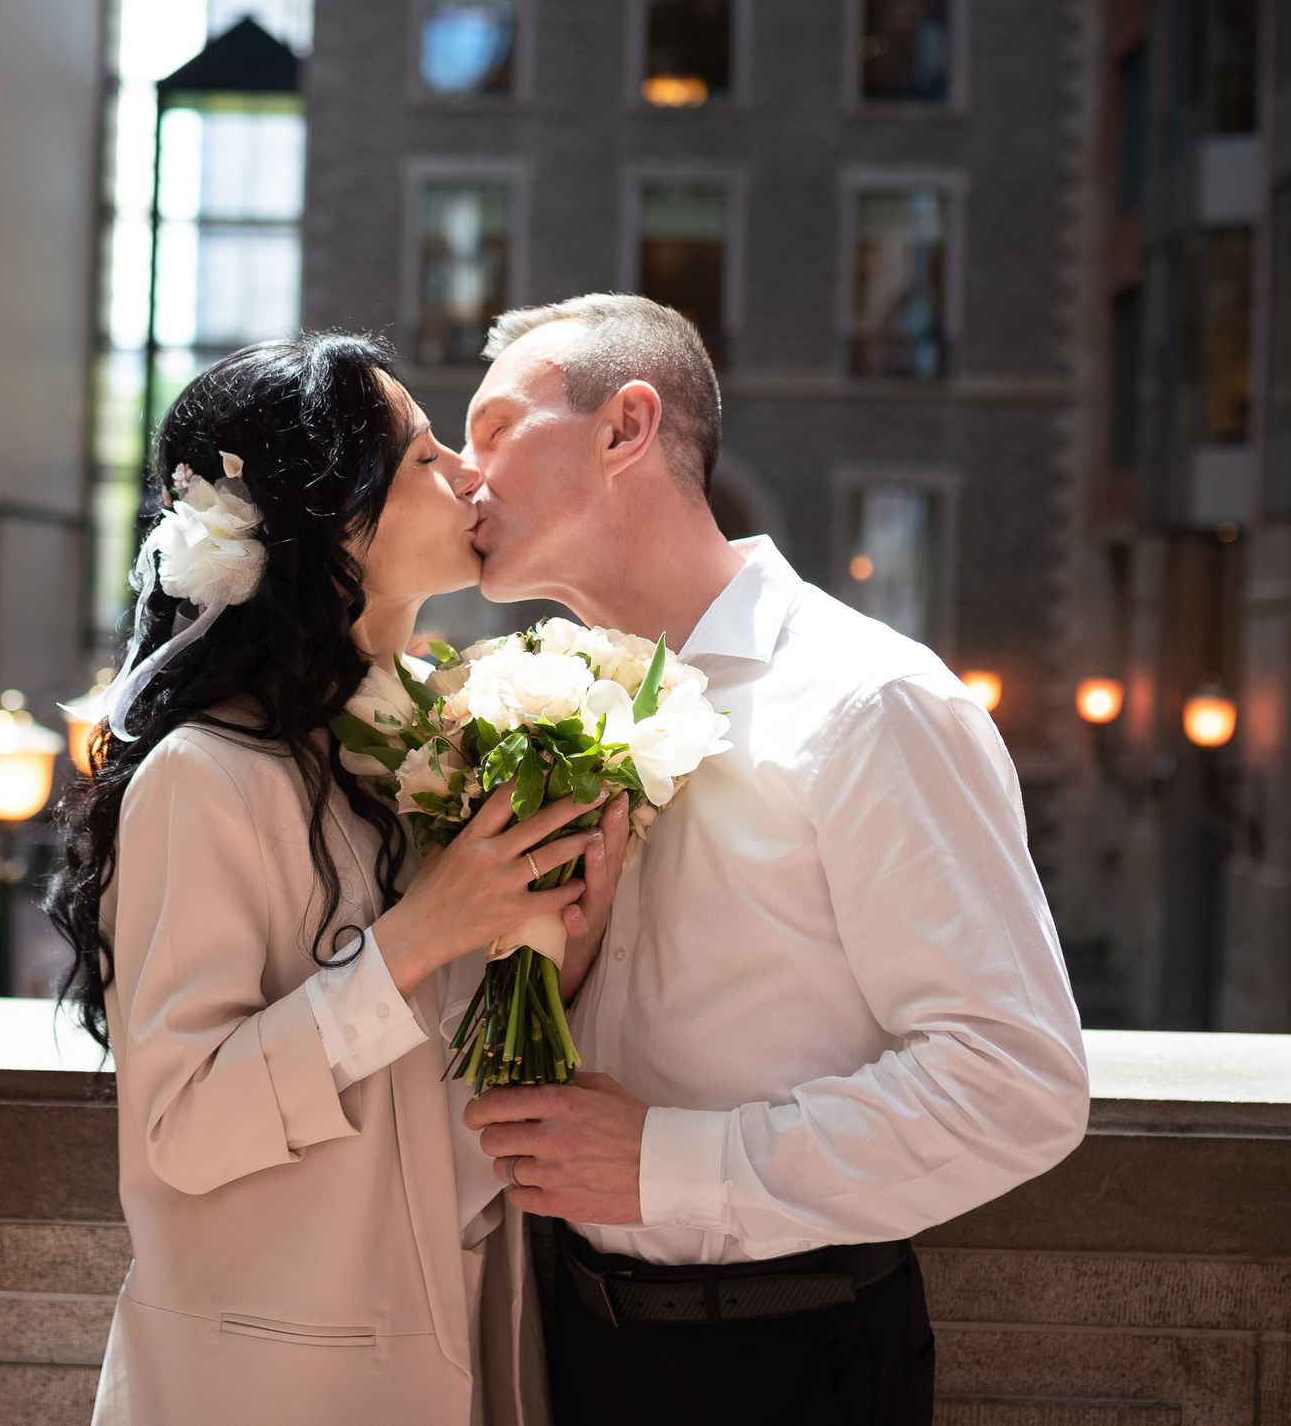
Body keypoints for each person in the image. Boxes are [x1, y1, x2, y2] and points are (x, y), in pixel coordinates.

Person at [454, 295, 1090, 1426]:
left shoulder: (866, 699)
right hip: (565, 1338)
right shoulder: (546, 703)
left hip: (786, 1356)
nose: (463, 473)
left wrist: (671, 1163)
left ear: (624, 427)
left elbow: (1014, 1083)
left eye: (494, 427)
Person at [51, 332, 628, 1426]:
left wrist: (556, 947)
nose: (465, 465)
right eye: (419, 454)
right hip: (278, 1379)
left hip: (477, 1337)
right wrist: (423, 930)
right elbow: (182, 1125)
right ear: (332, 523)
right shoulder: (205, 775)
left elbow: (448, 1078)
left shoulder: (449, 743)